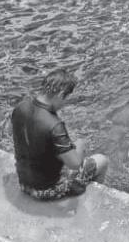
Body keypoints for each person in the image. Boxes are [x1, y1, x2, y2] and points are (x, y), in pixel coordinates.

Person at [11, 69, 109, 200]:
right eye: (66, 98)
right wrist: (80, 145)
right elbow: (74, 164)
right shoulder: (55, 125)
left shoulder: (20, 107)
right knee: (101, 160)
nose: (64, 104)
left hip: (24, 184)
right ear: (61, 94)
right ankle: (90, 198)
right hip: (46, 192)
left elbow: (16, 133)